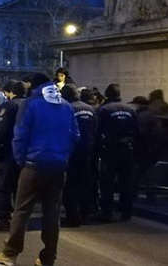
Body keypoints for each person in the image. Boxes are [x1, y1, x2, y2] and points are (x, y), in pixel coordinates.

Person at [0, 73, 80, 266]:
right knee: (52, 212)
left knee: (22, 210)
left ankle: (10, 253)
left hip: (34, 164)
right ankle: (48, 258)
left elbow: (20, 136)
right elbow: (75, 136)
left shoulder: (30, 104)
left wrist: (22, 160)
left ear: (35, 86)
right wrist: (63, 156)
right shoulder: (65, 105)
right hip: (58, 166)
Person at [94, 84, 139, 223]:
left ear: (107, 95)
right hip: (127, 149)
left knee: (107, 182)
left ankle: (107, 213)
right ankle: (126, 213)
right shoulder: (130, 110)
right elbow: (137, 131)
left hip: (110, 149)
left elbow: (97, 132)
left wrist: (96, 150)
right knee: (126, 181)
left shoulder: (104, 110)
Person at [0, 80, 26, 231]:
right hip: (26, 153)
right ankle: (20, 219)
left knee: (2, 186)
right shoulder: (30, 105)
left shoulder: (9, 106)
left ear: (11, 92)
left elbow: (0, 130)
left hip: (9, 152)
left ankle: (3, 218)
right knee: (20, 188)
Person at [60, 84, 97, 227]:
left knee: (70, 186)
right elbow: (96, 130)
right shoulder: (90, 109)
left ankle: (72, 216)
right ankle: (85, 214)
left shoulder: (66, 109)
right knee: (85, 184)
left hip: (71, 152)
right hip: (87, 152)